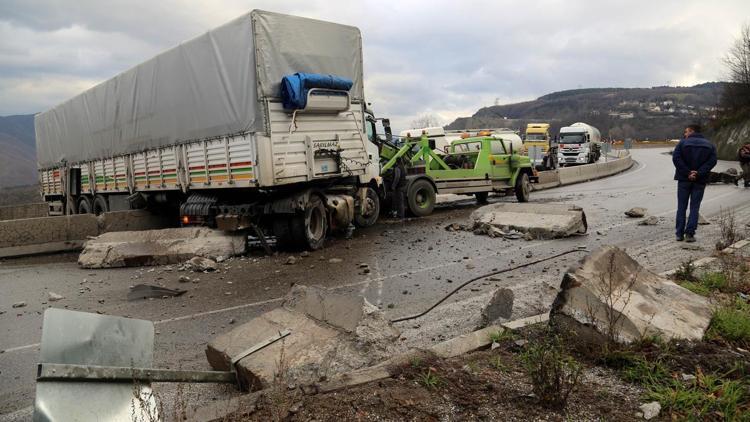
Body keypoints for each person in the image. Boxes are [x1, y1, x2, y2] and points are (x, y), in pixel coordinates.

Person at [672, 124, 717, 242]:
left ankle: (679, 234)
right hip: (700, 180)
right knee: (694, 207)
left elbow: (676, 159)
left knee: (681, 207)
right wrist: (698, 173)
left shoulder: (682, 143)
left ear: (692, 131)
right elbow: (712, 161)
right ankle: (690, 234)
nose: (685, 134)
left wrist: (687, 173)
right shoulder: (709, 145)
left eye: (686, 132)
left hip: (683, 179)